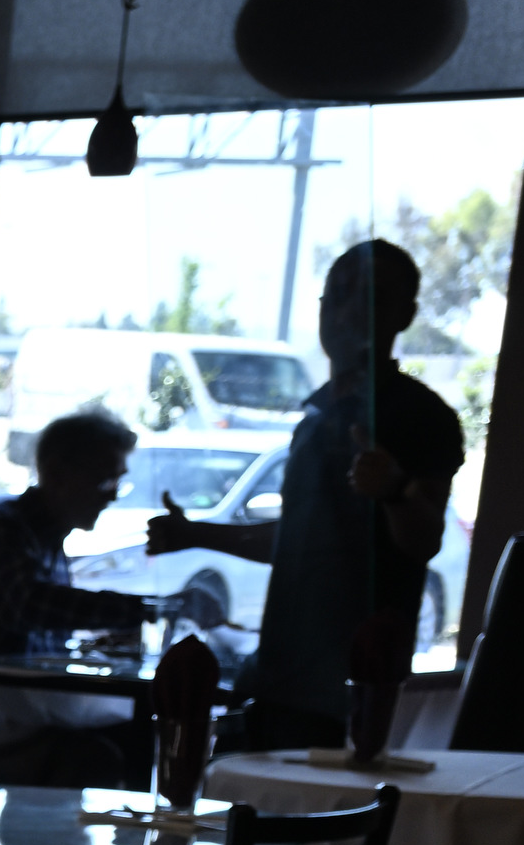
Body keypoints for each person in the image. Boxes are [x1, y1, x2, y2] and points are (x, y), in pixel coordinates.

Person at [148, 238, 462, 749]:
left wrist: (395, 490)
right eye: (338, 294)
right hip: (277, 678)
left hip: (347, 696)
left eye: (372, 296)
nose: (348, 310)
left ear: (405, 315)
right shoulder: (316, 416)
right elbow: (299, 540)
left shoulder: (421, 416)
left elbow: (424, 540)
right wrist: (196, 534)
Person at [0, 409, 157, 786]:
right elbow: (25, 607)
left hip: (24, 705)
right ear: (57, 473)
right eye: (105, 479)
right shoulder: (2, 529)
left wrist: (101, 644)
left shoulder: (47, 540)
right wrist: (145, 610)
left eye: (119, 481)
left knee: (143, 733)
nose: (114, 494)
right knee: (114, 750)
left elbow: (40, 633)